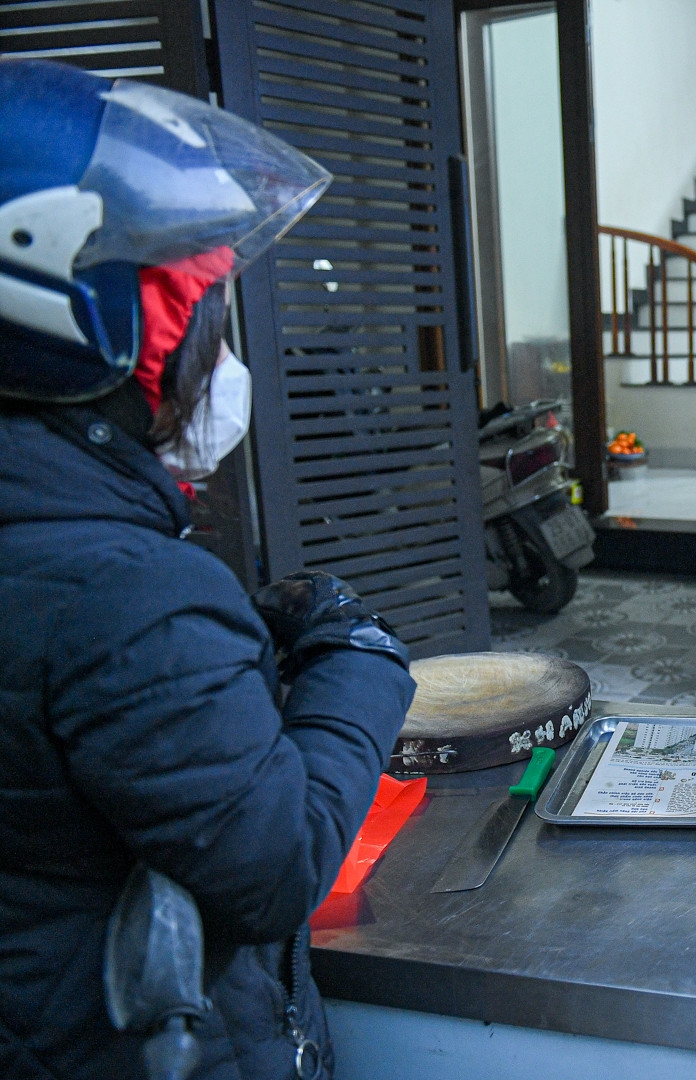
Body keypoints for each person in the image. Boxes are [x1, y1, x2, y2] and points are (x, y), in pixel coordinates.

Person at [0, 60, 415, 1078]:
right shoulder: (126, 591)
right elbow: (275, 867)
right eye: (201, 317)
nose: (219, 361)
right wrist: (360, 658)